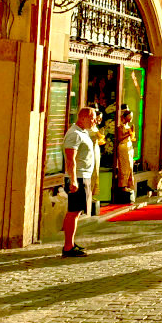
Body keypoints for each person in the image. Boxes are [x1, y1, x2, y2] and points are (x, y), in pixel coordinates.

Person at [61, 107, 97, 257]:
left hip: (84, 176)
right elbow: (70, 159)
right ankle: (68, 247)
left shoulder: (83, 132)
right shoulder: (74, 134)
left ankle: (70, 243)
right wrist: (73, 179)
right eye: (92, 118)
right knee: (74, 211)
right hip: (78, 177)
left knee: (76, 211)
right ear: (83, 118)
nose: (95, 121)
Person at [115, 109, 136, 195]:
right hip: (123, 147)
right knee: (124, 166)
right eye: (129, 116)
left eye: (131, 116)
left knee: (130, 166)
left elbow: (131, 137)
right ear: (124, 117)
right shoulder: (121, 127)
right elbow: (120, 138)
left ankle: (128, 184)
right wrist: (129, 133)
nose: (131, 118)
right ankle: (122, 185)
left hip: (129, 147)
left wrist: (131, 134)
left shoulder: (128, 127)